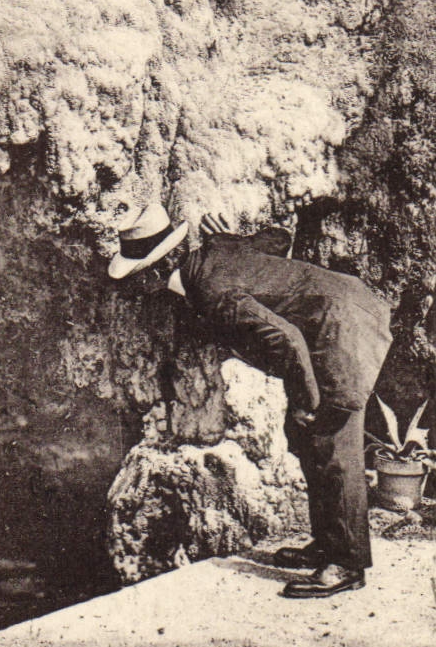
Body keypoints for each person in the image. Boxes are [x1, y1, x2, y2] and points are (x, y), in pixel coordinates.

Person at [108, 202, 393, 598]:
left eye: (140, 277)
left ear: (157, 272)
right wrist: (235, 238)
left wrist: (305, 401)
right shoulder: (217, 248)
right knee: (306, 439)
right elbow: (279, 238)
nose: (141, 288)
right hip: (341, 312)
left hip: (342, 330)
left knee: (331, 443)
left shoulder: (211, 293)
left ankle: (346, 565)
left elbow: (288, 341)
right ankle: (328, 544)